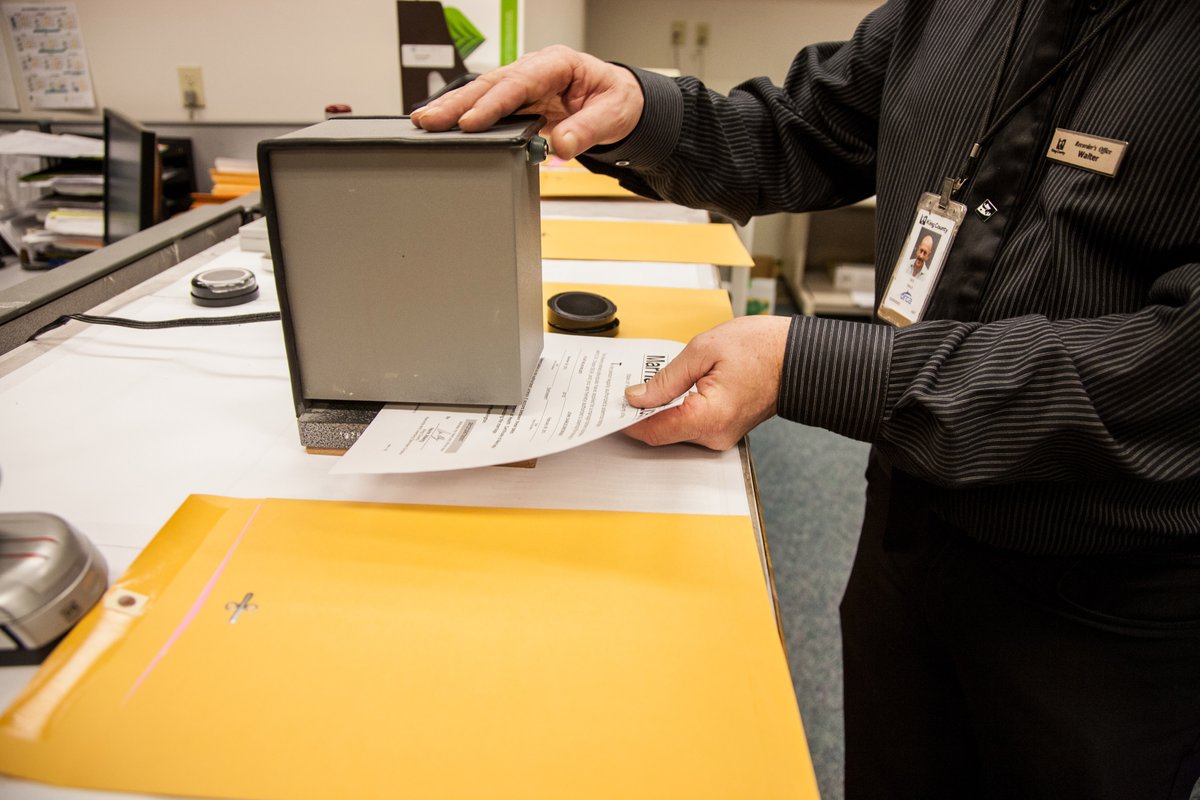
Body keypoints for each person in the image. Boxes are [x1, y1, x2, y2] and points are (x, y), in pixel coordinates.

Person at [412, 1, 1200, 797]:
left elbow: (1176, 366)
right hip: (907, 521)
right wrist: (641, 109)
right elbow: (802, 127)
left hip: (1107, 588)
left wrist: (819, 366)